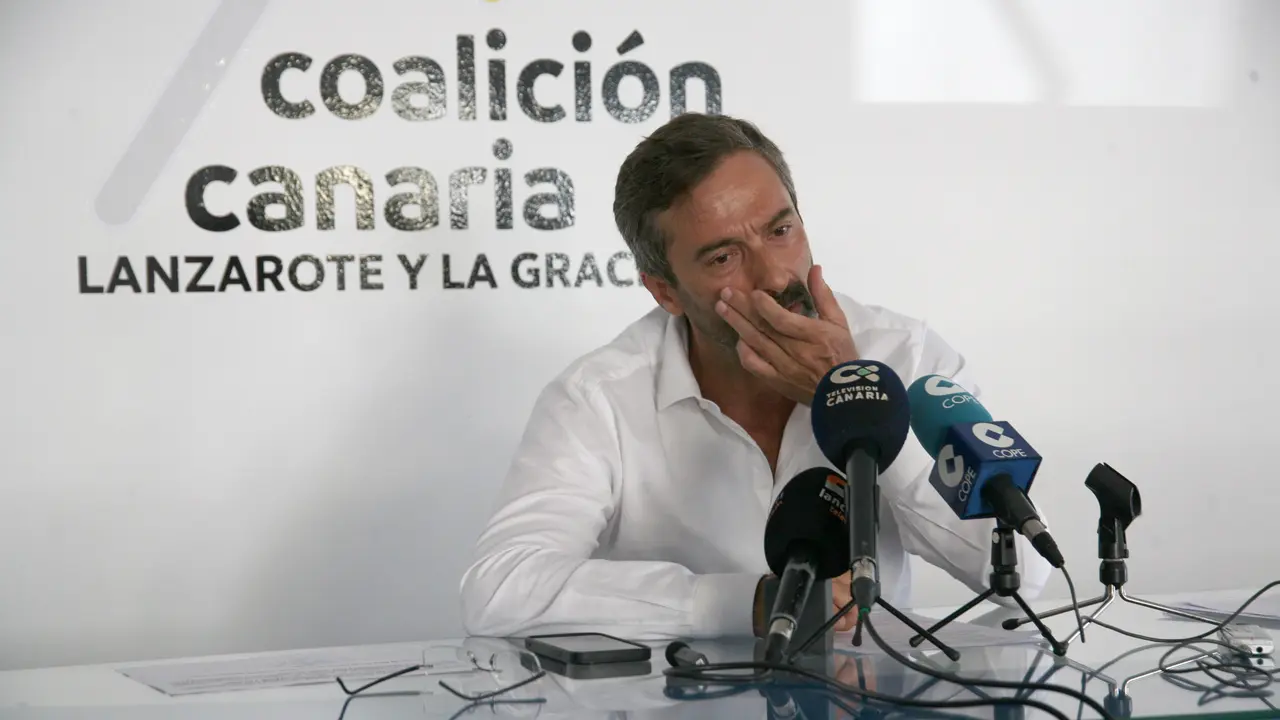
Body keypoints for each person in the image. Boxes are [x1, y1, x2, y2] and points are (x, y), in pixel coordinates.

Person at [459, 113, 1051, 640]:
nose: (773, 275)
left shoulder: (905, 357)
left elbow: (1027, 567)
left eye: (780, 229)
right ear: (665, 291)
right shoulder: (599, 397)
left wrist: (857, 402)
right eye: (723, 257)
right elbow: (501, 587)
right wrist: (744, 603)